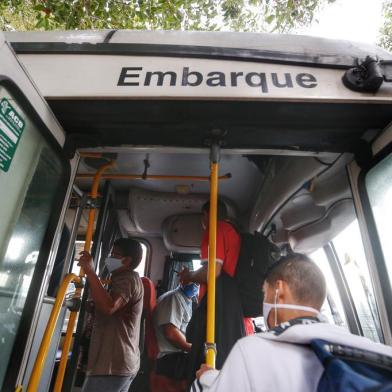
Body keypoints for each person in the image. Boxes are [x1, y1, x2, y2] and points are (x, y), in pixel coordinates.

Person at [193, 253, 392, 391]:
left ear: (279, 290)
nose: (263, 301)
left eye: (265, 292)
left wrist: (207, 378)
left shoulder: (252, 350)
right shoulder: (375, 350)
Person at [179, 200, 248, 383]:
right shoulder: (233, 232)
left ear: (206, 216)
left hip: (218, 308)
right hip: (228, 307)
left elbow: (213, 272)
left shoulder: (216, 228)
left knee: (205, 366)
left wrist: (190, 276)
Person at [78, 238, 144, 392]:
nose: (110, 257)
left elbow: (109, 307)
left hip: (112, 364)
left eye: (115, 254)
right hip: (119, 362)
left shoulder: (128, 279)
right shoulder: (118, 279)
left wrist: (90, 272)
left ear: (127, 260)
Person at [154, 282, 199, 379]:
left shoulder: (186, 300)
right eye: (193, 281)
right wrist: (195, 350)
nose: (196, 285)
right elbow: (171, 334)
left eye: (198, 283)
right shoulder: (173, 298)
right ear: (182, 280)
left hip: (177, 355)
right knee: (207, 364)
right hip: (168, 358)